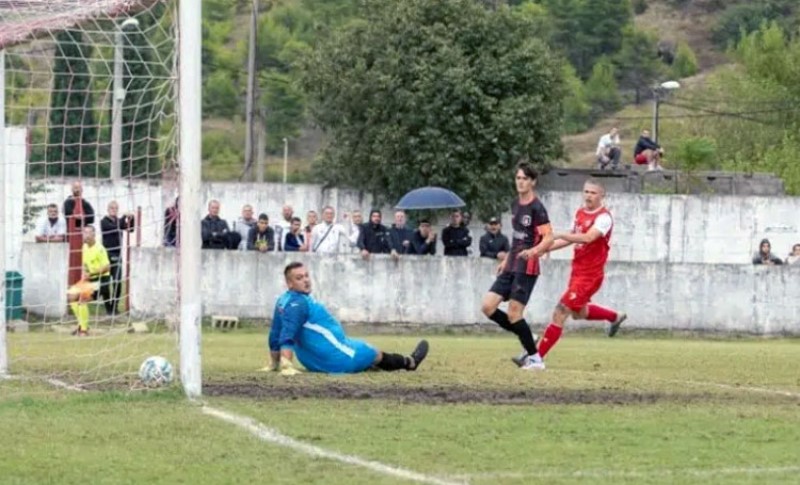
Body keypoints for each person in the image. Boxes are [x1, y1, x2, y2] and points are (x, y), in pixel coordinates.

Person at [517, 179, 627, 370]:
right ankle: (615, 316)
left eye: (593, 192)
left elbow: (587, 237)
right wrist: (542, 249)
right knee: (578, 313)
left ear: (602, 195)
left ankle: (536, 359)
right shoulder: (580, 213)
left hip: (590, 276)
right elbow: (571, 238)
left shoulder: (604, 218)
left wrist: (558, 234)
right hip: (577, 272)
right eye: (586, 192)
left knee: (560, 312)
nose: (588, 196)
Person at [266, 262, 429, 375]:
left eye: (306, 275)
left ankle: (368, 365)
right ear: (289, 283)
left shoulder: (283, 300)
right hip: (338, 359)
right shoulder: (299, 303)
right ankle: (410, 362)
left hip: (312, 361)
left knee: (355, 346)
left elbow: (275, 333)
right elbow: (286, 334)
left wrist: (274, 363)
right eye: (299, 278)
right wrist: (286, 364)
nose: (306, 280)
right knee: (373, 352)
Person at [481, 162, 553, 371]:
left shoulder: (537, 208)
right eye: (518, 178)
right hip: (512, 263)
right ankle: (528, 335)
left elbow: (549, 237)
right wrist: (505, 260)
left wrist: (534, 251)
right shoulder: (515, 204)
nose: (520, 182)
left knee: (514, 314)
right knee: (487, 306)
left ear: (532, 182)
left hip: (527, 267)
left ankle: (535, 359)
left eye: (524, 179)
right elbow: (517, 237)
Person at [67, 226, 112, 335]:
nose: (85, 236)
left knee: (82, 298)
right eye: (84, 233)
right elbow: (86, 265)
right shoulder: (84, 247)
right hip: (90, 280)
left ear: (93, 235)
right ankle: (82, 325)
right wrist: (85, 274)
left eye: (88, 233)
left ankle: (83, 330)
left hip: (101, 280)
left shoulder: (100, 249)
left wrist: (92, 273)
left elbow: (107, 267)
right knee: (71, 295)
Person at [100, 201, 135, 314]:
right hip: (106, 255)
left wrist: (132, 218)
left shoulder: (118, 221)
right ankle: (108, 307)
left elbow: (130, 229)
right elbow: (114, 228)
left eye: (116, 208)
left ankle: (114, 307)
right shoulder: (104, 222)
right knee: (105, 283)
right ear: (107, 209)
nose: (113, 210)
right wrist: (124, 217)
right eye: (111, 208)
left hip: (117, 254)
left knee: (117, 282)